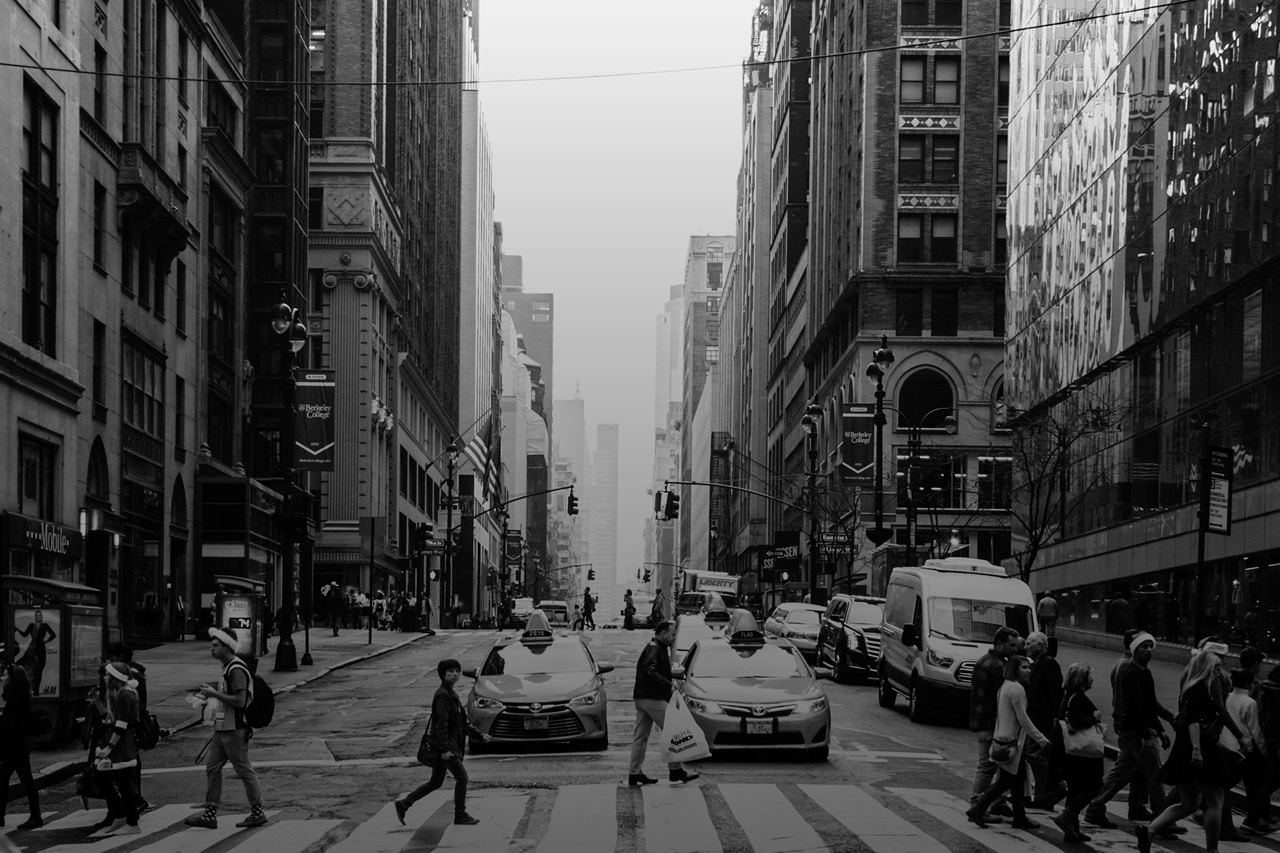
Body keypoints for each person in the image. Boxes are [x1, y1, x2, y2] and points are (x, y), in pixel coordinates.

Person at [1136, 647, 1243, 853]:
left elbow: (1198, 726)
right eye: (1216, 668)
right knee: (1215, 802)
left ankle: (1149, 830)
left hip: (1186, 750)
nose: (1219, 673)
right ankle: (1212, 850)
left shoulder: (1190, 688)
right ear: (1206, 668)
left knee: (1189, 803)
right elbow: (1195, 723)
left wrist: (1225, 751)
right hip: (1199, 751)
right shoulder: (1200, 688)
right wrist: (1197, 751)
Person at [1084, 631, 1176, 829]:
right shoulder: (1132, 670)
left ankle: (1094, 807)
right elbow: (1138, 706)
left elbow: (1147, 704)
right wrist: (1148, 732)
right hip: (1135, 729)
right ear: (1134, 648)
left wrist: (1161, 726)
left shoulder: (1128, 667)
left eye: (1151, 646)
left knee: (1121, 772)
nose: (1149, 650)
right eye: (1145, 646)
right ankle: (1161, 821)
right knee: (1154, 773)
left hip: (1128, 727)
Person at [185, 627, 267, 830]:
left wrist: (214, 695)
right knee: (212, 768)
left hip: (235, 730)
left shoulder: (236, 669)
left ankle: (258, 812)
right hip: (223, 729)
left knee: (244, 771)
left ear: (227, 646)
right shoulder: (227, 667)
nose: (211, 649)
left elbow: (240, 701)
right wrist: (209, 699)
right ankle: (210, 814)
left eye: (215, 645)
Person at [394, 659, 490, 827]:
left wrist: (480, 736)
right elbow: (441, 725)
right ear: (442, 675)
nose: (455, 674)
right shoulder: (443, 695)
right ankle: (460, 814)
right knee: (462, 777)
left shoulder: (451, 694)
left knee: (435, 782)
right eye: (450, 671)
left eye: (457, 671)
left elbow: (463, 722)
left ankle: (404, 804)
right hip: (446, 746)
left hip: (447, 744)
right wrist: (444, 750)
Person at [967, 655, 1051, 831]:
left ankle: (1019, 816)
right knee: (1005, 782)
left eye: (1029, 667)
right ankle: (978, 808)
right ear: (1015, 669)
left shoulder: (1005, 687)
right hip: (1012, 744)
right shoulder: (1016, 689)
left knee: (1017, 779)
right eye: (1024, 667)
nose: (1028, 671)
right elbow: (1023, 719)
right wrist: (1041, 739)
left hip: (1004, 740)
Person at [629, 620, 698, 787]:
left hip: (643, 697)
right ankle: (675, 771)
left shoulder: (655, 647)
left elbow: (652, 670)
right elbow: (651, 671)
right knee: (672, 731)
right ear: (663, 634)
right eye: (672, 634)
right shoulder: (655, 648)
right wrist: (668, 684)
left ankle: (634, 773)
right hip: (652, 698)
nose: (674, 638)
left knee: (641, 736)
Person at [969, 626, 1022, 817]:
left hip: (984, 721)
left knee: (998, 764)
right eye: (1011, 645)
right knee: (987, 766)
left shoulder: (988, 660)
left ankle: (997, 802)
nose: (1015, 649)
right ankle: (977, 804)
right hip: (989, 724)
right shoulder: (997, 666)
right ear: (999, 644)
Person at [90, 662, 144, 836]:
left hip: (122, 745)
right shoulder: (118, 694)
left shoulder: (125, 695)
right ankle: (122, 816)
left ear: (115, 678)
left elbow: (121, 725)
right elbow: (109, 720)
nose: (104, 677)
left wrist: (109, 747)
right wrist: (97, 702)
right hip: (118, 743)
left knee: (122, 783)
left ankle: (131, 822)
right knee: (108, 780)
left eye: (107, 675)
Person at [1054, 663, 1104, 843]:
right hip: (1082, 754)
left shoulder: (1068, 696)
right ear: (1082, 679)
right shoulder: (1077, 698)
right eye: (1090, 676)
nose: (1092, 679)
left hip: (1070, 752)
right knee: (1093, 785)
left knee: (1075, 788)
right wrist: (1094, 718)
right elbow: (1076, 721)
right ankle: (1068, 816)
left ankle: (1072, 830)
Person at [1226, 667, 1276, 835]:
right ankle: (1255, 818)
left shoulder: (1227, 697)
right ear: (1249, 682)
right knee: (1258, 782)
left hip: (1228, 746)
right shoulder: (1250, 702)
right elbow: (1255, 731)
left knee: (1232, 782)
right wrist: (1264, 752)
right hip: (1246, 748)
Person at [106, 642, 150, 814]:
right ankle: (131, 799)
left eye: (113, 656)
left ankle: (134, 799)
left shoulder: (129, 677)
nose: (110, 659)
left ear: (121, 657)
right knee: (130, 762)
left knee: (129, 762)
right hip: (129, 724)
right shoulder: (130, 673)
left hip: (128, 725)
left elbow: (130, 706)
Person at [1024, 631, 1065, 809]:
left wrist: (1057, 717)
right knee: (1039, 754)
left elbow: (1056, 692)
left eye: (1028, 643)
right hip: (1036, 718)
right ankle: (1043, 797)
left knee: (1033, 754)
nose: (1025, 646)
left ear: (1039, 646)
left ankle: (1055, 787)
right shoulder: (1037, 663)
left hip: (1044, 719)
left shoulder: (1048, 663)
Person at [0, 664, 42, 829]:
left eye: (5, 676)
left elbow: (12, 725)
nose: (3, 678)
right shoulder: (19, 696)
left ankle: (36, 816)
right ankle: (1, 815)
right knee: (2, 778)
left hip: (17, 745)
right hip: (18, 744)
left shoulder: (16, 698)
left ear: (13, 679)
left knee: (26, 780)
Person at [1256, 663, 1280, 832]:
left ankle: (1256, 815)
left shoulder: (1265, 689)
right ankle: (1252, 816)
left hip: (1268, 739)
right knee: (1272, 780)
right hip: (1278, 741)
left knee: (1269, 779)